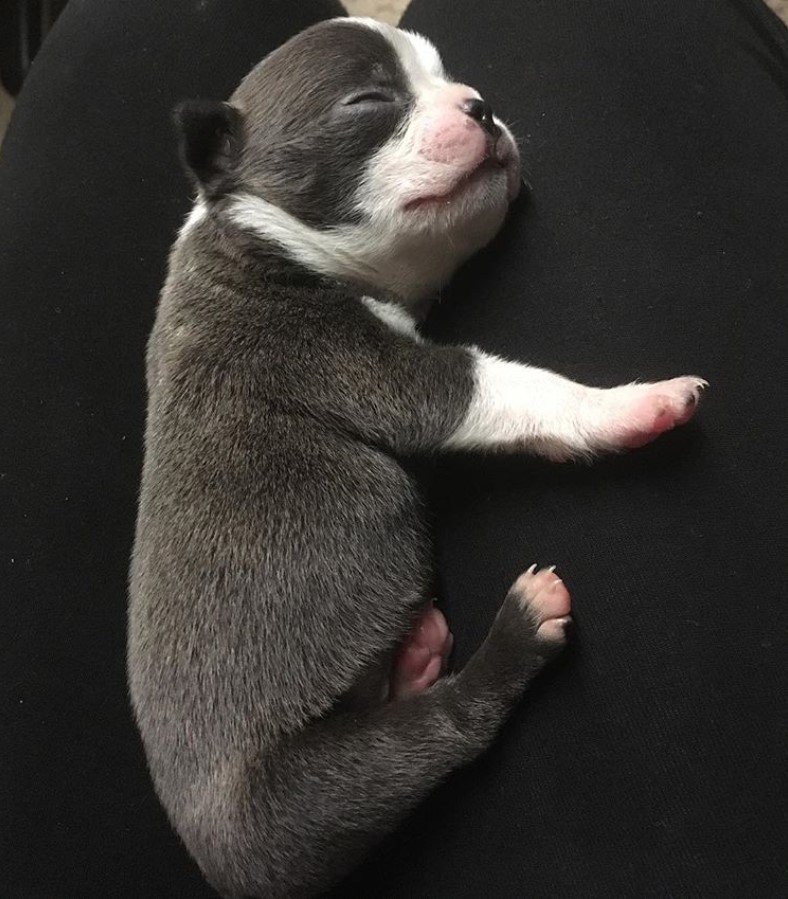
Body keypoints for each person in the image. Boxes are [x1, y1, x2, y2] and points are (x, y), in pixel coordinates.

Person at [0, 0, 785, 895]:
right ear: (231, 168)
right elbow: (440, 394)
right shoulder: (243, 322)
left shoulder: (243, 280)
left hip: (331, 668)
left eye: (438, 80)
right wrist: (589, 413)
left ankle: (390, 703)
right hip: (263, 799)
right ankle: (480, 689)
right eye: (376, 104)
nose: (470, 100)